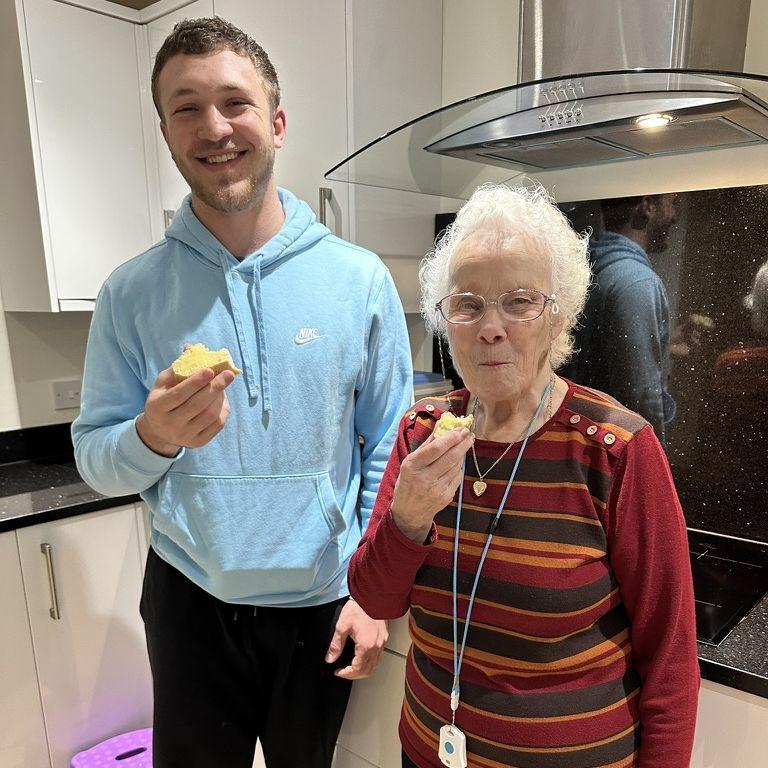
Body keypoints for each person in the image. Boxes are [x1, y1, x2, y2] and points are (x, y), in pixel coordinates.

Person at [72, 17, 413, 768]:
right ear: (165, 133)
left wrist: (371, 590)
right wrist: (152, 438)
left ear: (278, 122)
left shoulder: (358, 281)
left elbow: (389, 444)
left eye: (235, 102)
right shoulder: (129, 294)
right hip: (189, 600)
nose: (215, 127)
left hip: (322, 602)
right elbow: (96, 458)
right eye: (186, 107)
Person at [348, 184, 699, 768]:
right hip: (428, 752)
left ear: (557, 314)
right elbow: (376, 596)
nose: (490, 327)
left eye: (518, 301)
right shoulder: (422, 431)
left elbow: (670, 657)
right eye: (467, 304)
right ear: (446, 319)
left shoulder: (615, 450)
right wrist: (408, 518)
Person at [561, 194, 678, 443]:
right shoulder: (637, 282)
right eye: (671, 202)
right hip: (614, 455)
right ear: (647, 206)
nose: (674, 216)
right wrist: (653, 471)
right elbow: (641, 396)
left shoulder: (588, 270)